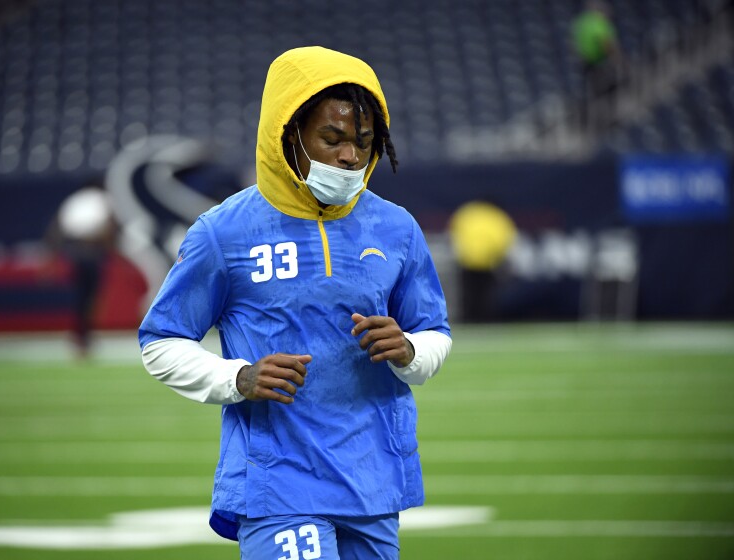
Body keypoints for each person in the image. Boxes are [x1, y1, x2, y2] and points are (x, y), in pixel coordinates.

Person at [138, 46, 451, 558]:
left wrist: (410, 351)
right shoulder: (224, 232)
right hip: (277, 484)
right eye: (332, 139)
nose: (350, 155)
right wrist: (237, 377)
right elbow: (160, 342)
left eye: (364, 142)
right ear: (290, 133)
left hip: (373, 480)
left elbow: (434, 333)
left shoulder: (396, 228)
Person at [45, 179, 117, 357]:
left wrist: (52, 254)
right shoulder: (102, 198)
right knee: (90, 297)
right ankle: (83, 336)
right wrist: (111, 250)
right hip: (92, 250)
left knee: (81, 296)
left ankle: (80, 335)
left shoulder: (75, 200)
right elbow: (108, 226)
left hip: (74, 250)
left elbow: (57, 227)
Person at [448, 200, 517, 323]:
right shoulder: (497, 216)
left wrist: (463, 252)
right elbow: (504, 238)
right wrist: (497, 257)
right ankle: (485, 320)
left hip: (468, 261)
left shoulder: (468, 213)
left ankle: (469, 319)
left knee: (468, 294)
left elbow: (454, 231)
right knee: (486, 296)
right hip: (488, 262)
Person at [572, 0, 622, 132]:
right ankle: (607, 120)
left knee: (592, 94)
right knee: (606, 92)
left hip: (585, 63)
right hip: (600, 63)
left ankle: (591, 122)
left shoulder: (581, 22)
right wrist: (618, 60)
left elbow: (574, 43)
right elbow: (607, 44)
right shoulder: (600, 23)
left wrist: (581, 56)